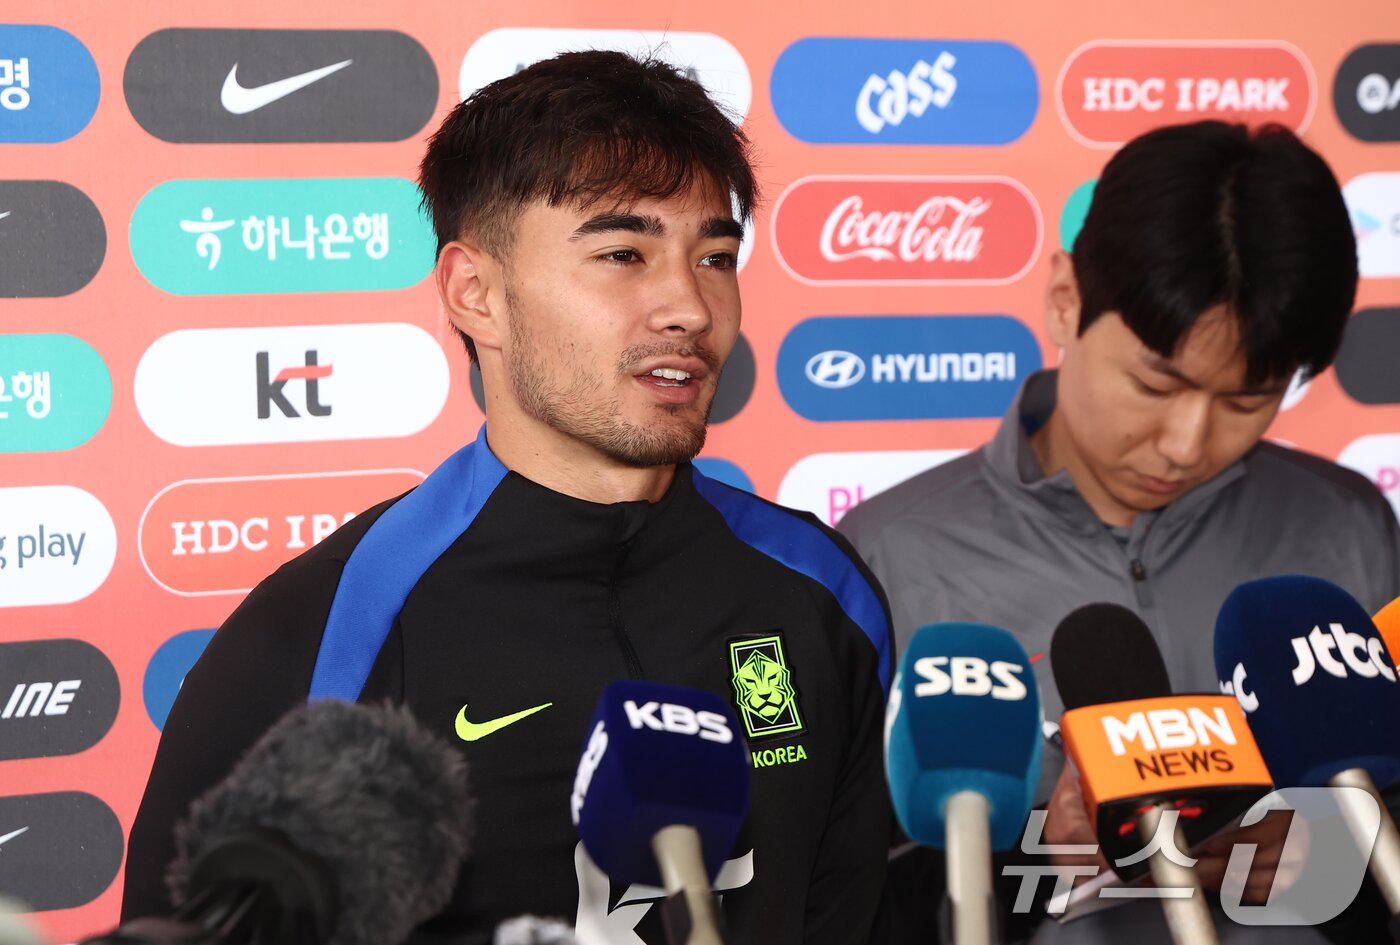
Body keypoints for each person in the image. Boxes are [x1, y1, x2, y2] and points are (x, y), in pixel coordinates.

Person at [123, 51, 893, 945]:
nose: (689, 306)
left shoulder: (821, 588)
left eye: (716, 256)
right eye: (623, 253)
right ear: (475, 293)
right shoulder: (322, 632)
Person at [839, 120, 1400, 943]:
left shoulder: (1351, 528)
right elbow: (835, 887)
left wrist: (1334, 849)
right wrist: (1045, 853)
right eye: (1156, 384)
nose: (1186, 444)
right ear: (1066, 298)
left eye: (1247, 400)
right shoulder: (886, 554)